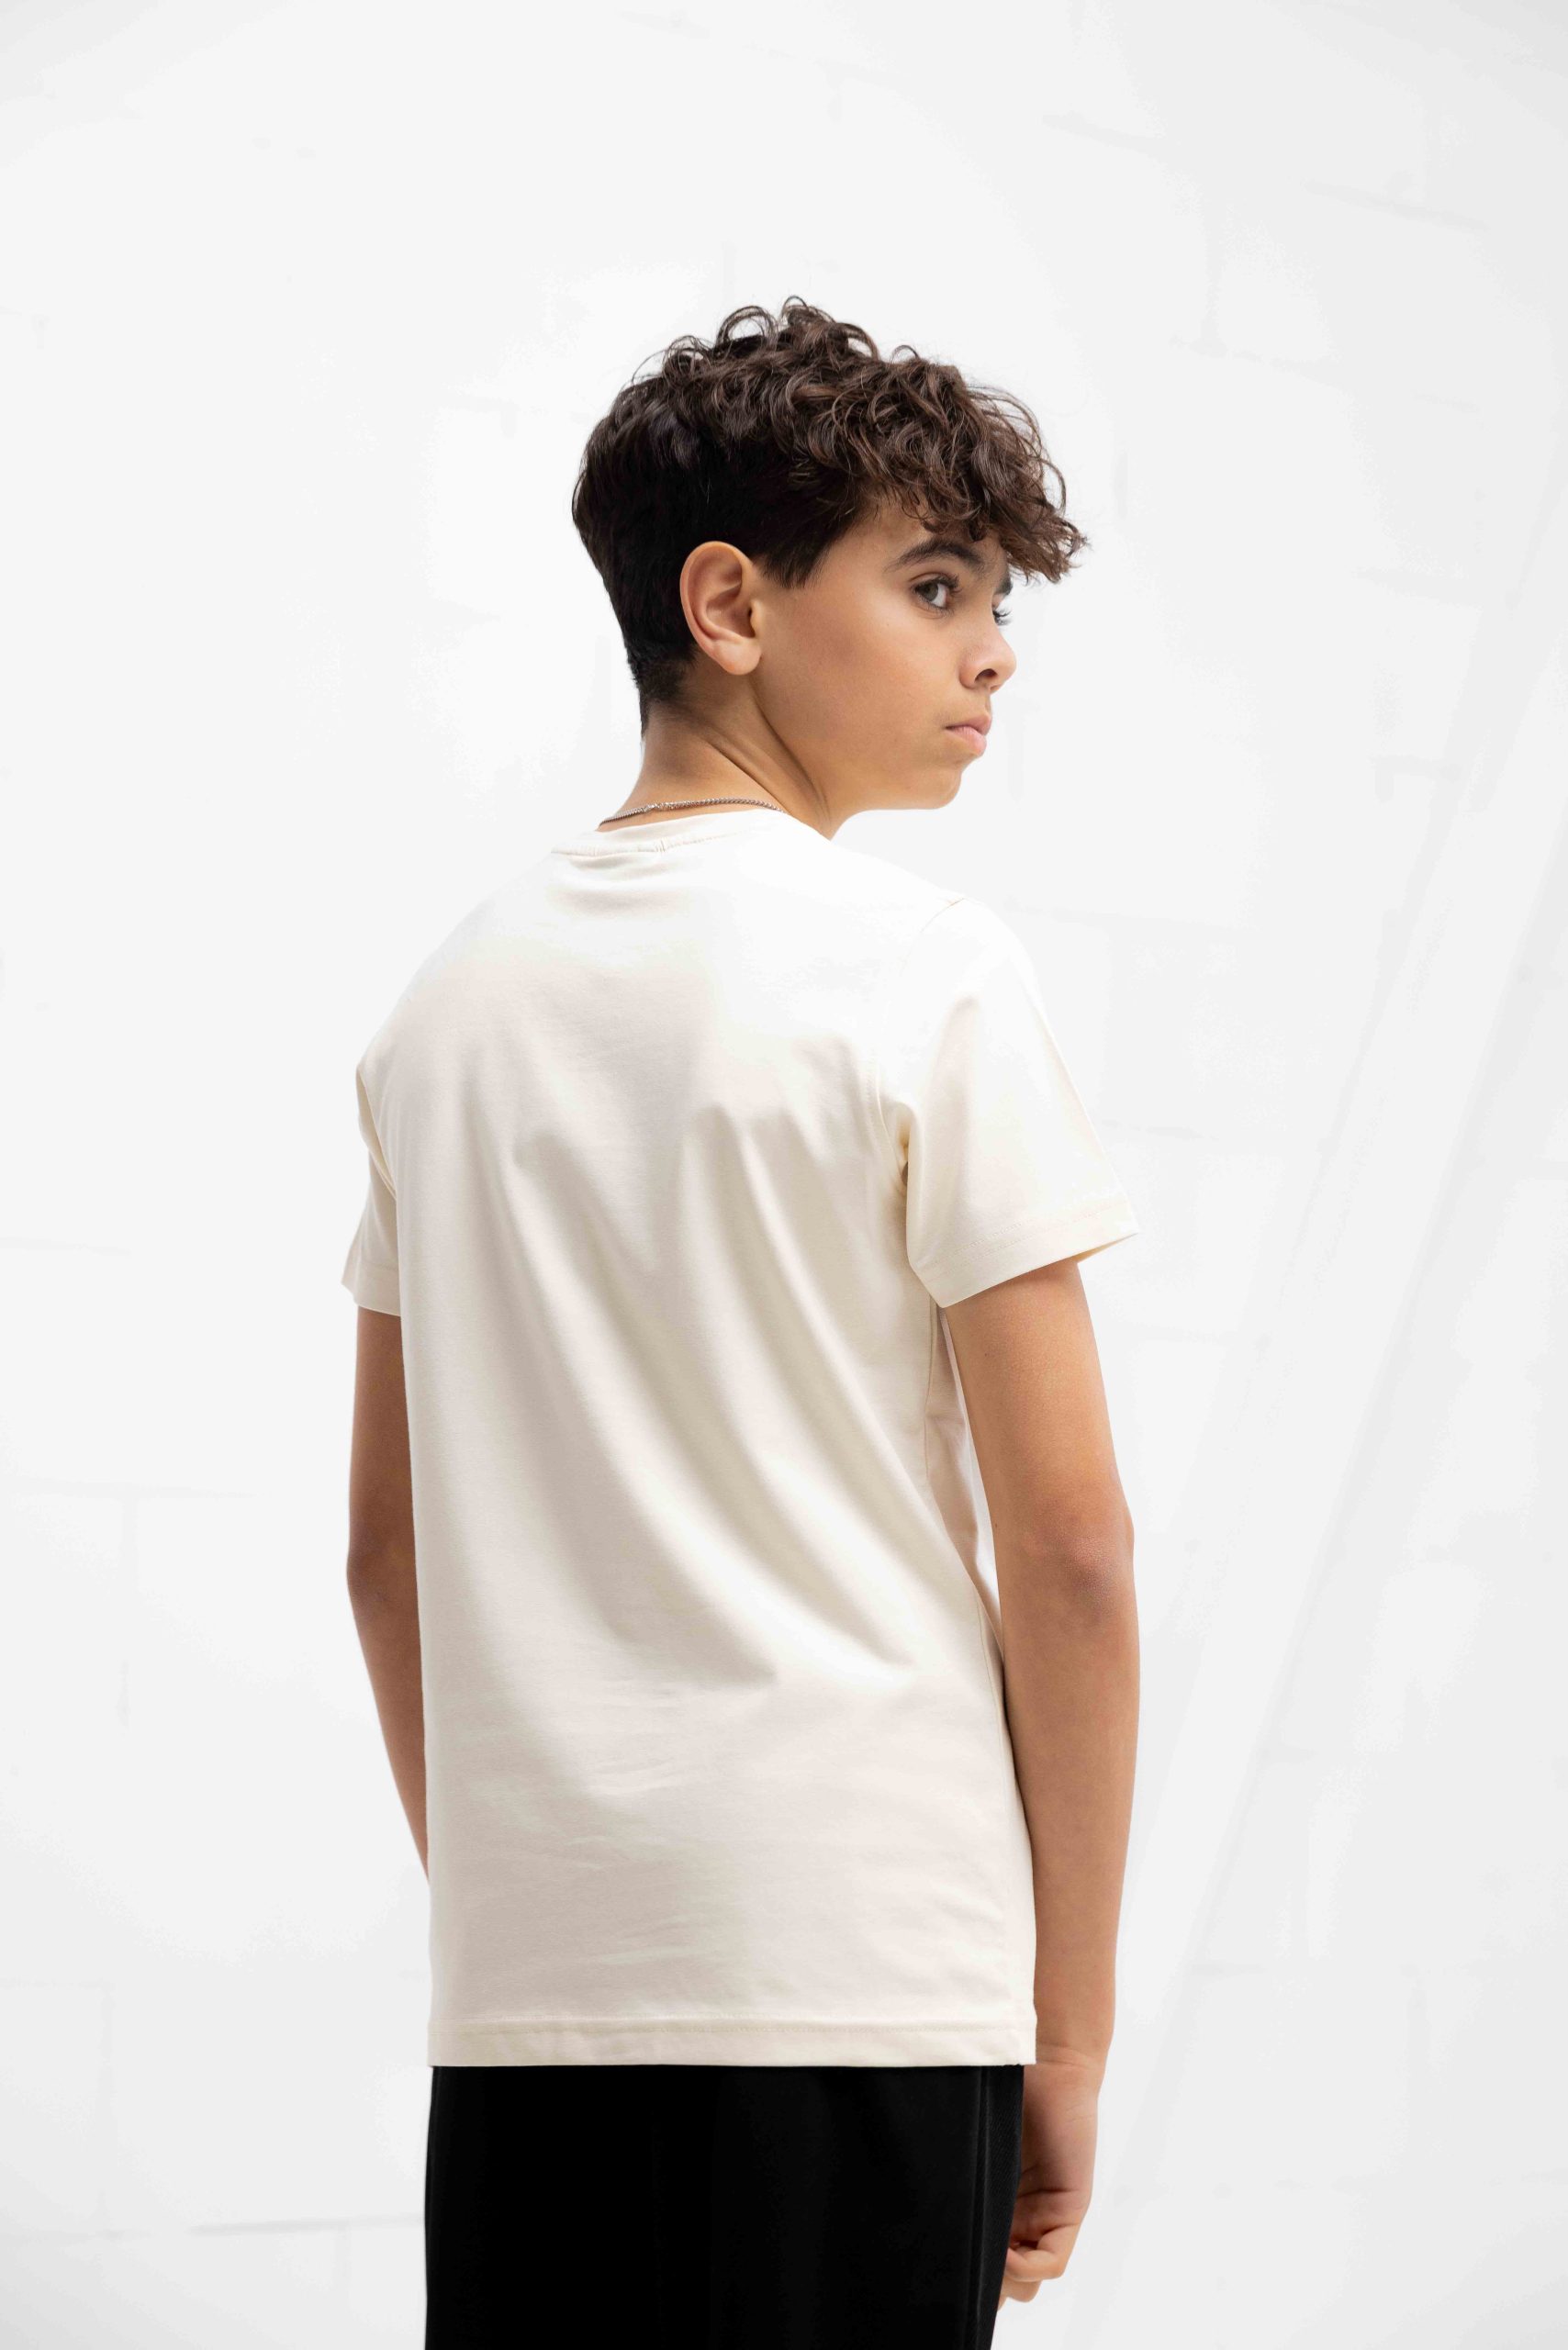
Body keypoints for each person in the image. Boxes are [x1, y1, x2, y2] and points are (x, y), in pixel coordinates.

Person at [342, 297, 1141, 2347]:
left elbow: (384, 1559)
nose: (993, 652)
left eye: (996, 600)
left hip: (534, 2003)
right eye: (934, 585)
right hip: (864, 1978)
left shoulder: (445, 1012)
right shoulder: (928, 972)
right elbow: (1068, 1548)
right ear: (729, 607)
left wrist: (541, 1908)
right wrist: (1066, 2025)